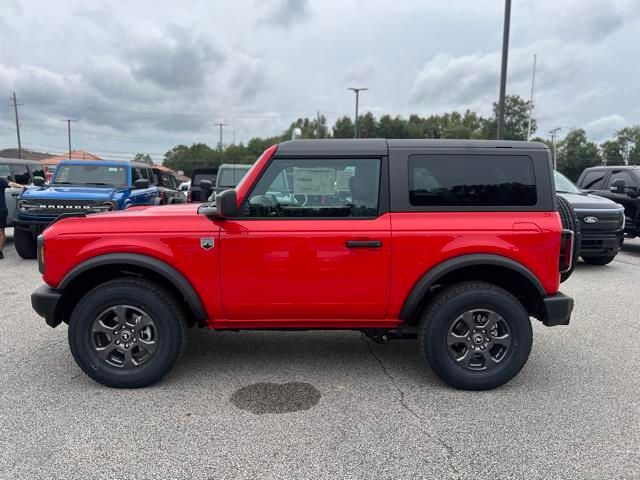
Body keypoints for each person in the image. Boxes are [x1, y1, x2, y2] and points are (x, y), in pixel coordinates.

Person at [0, 176, 26, 259]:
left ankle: (0, 252)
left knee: (1, 231)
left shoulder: (1, 180)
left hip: (1, 210)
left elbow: (11, 184)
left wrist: (22, 186)